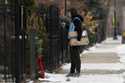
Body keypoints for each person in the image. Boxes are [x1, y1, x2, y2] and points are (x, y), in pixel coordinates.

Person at [66, 8, 83, 77]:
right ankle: (72, 71)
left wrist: (78, 39)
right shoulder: (74, 20)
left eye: (69, 13)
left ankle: (77, 71)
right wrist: (66, 26)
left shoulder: (76, 20)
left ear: (72, 13)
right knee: (72, 56)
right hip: (72, 39)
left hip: (75, 40)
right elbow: (73, 28)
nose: (68, 14)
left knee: (76, 56)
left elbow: (79, 29)